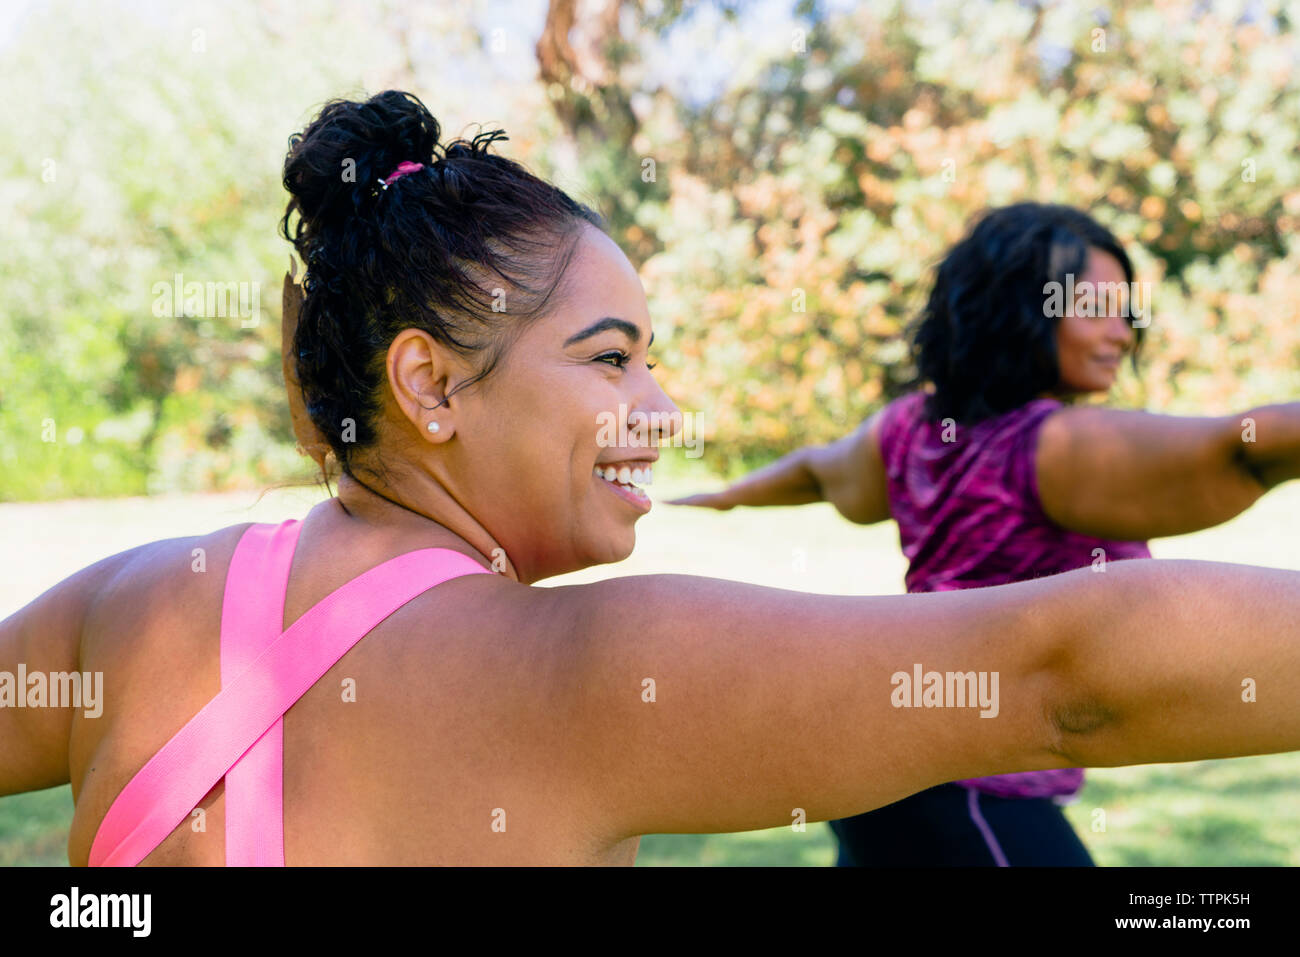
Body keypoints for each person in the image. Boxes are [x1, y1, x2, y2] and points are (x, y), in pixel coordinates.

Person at [2, 95, 1300, 867]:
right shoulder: (580, 674)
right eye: (612, 359)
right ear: (430, 383)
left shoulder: (129, 605)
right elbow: (1061, 671)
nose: (663, 412)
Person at [671, 202, 1300, 865]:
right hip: (965, 787)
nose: (1121, 333)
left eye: (1127, 311)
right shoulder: (1054, 445)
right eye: (1095, 308)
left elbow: (815, 471)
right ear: (1019, 311)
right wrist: (727, 497)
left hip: (870, 772)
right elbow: (1241, 450)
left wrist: (729, 495)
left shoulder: (905, 429)